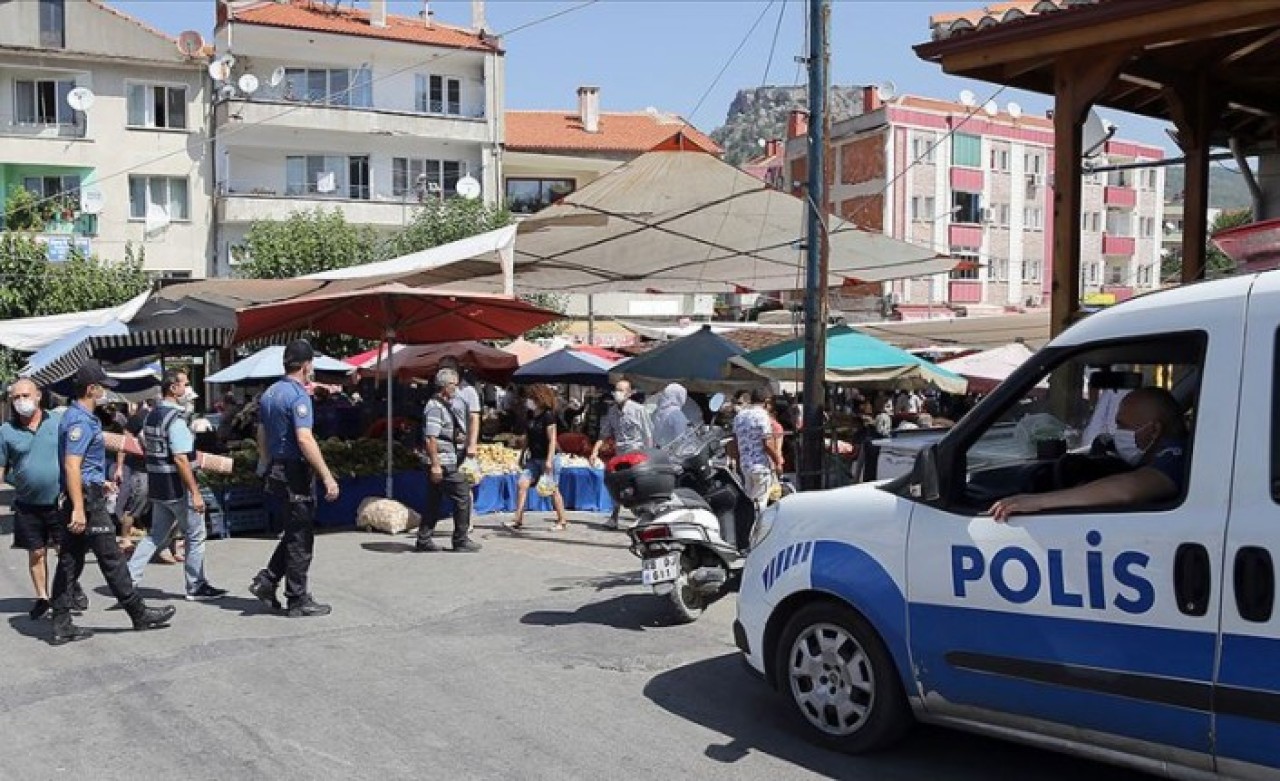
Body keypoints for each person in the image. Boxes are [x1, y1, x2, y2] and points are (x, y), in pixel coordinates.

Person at [49, 361, 175, 645]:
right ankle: (139, 613)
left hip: (84, 493)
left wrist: (99, 481)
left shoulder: (78, 416)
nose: (106, 392)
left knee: (69, 561)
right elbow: (71, 466)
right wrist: (80, 507)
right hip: (85, 502)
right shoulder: (79, 420)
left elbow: (81, 467)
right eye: (103, 387)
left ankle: (61, 623)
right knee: (112, 558)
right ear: (91, 389)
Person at [988, 387, 1188, 522]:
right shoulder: (1155, 454)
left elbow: (1128, 490)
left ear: (1154, 431)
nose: (1117, 432)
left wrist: (1038, 501)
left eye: (1123, 426)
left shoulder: (1176, 456)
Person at [250, 340, 340, 617]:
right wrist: (327, 476)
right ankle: (297, 599)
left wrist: (264, 463)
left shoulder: (270, 393)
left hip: (277, 469)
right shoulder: (298, 396)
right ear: (306, 365)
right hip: (295, 472)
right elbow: (304, 438)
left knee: (293, 530)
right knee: (301, 537)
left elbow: (262, 434)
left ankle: (267, 580)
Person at [127, 370, 228, 601]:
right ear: (173, 388)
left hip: (159, 486)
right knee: (195, 535)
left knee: (156, 535)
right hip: (177, 488)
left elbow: (144, 444)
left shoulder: (151, 416)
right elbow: (182, 459)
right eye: (184, 384)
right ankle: (196, 585)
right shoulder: (175, 420)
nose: (187, 389)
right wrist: (195, 493)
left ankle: (128, 579)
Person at [1, 378, 75, 620]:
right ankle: (43, 597)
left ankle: (67, 591)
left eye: (25, 395)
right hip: (27, 505)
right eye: (16, 397)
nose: (21, 401)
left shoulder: (58, 421)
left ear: (38, 395)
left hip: (59, 501)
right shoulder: (6, 431)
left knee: (65, 551)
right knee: (36, 553)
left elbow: (74, 456)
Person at [416, 367, 482, 553]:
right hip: (443, 461)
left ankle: (424, 539)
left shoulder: (444, 405)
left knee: (433, 500)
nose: (456, 388)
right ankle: (460, 540)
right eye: (453, 385)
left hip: (446, 457)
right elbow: (431, 438)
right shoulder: (435, 407)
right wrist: (436, 465)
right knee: (462, 495)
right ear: (444, 386)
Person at [591, 380, 653, 529]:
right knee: (617, 484)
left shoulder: (639, 410)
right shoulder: (612, 411)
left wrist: (649, 454)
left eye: (622, 390)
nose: (618, 393)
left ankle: (644, 515)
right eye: (616, 390)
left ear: (629, 393)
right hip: (620, 452)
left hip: (636, 452)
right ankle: (614, 517)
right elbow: (603, 434)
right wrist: (594, 451)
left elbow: (648, 434)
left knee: (636, 485)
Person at [510, 384, 567, 530]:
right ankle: (518, 518)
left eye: (531, 398)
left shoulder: (548, 416)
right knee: (522, 484)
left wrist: (549, 460)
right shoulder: (530, 415)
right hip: (533, 458)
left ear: (539, 398)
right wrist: (522, 454)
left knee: (552, 489)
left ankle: (562, 520)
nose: (528, 401)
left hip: (548, 458)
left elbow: (552, 439)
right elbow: (528, 437)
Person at [733, 387, 781, 512]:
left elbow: (734, 443)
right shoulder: (763, 416)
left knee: (749, 501)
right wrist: (777, 461)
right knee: (761, 503)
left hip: (745, 466)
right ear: (766, 401)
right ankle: (759, 529)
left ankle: (747, 528)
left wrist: (738, 463)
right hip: (760, 467)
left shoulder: (740, 416)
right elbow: (767, 443)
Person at [652, 382, 692, 448]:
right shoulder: (676, 414)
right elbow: (681, 439)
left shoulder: (657, 412)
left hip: (658, 450)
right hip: (671, 453)